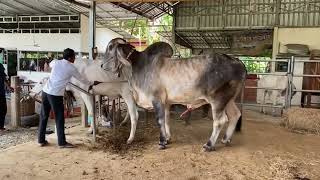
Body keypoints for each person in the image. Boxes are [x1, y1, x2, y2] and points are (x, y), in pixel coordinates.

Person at [38, 48, 98, 148]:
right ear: (70, 58)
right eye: (74, 57)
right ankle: (62, 143)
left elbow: (50, 64)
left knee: (44, 116)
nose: (75, 59)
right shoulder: (71, 68)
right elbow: (82, 79)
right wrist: (92, 83)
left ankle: (40, 140)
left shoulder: (55, 62)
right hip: (55, 95)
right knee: (59, 118)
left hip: (45, 91)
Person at [0, 63, 14, 131]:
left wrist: (9, 87)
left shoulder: (0, 66)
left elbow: (3, 78)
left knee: (3, 109)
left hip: (1, 92)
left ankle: (1, 127)